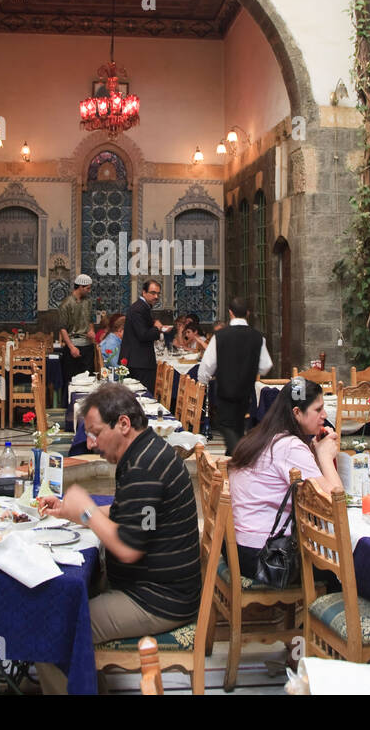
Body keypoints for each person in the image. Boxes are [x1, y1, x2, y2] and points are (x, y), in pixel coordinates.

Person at [34, 383, 201, 694]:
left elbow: (127, 548)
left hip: (157, 600)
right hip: (153, 587)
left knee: (52, 626)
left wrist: (87, 512)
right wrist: (71, 512)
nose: (92, 442)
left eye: (96, 432)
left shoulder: (145, 468)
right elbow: (132, 513)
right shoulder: (146, 453)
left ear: (123, 424)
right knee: (63, 592)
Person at [227, 378, 341, 577]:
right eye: (318, 409)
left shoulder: (261, 436)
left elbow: (309, 486)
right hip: (267, 557)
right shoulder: (290, 446)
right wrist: (324, 456)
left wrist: (314, 450)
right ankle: (322, 607)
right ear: (297, 412)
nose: (325, 416)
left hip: (237, 547)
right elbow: (335, 503)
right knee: (337, 566)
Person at [197, 297, 274, 454]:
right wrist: (250, 369)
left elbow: (207, 365)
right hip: (246, 391)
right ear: (248, 313)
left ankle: (239, 454)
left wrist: (202, 380)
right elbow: (266, 366)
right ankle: (233, 461)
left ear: (230, 312)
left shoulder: (220, 336)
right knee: (238, 426)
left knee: (224, 423)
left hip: (225, 389)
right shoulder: (257, 337)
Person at [119, 279, 172, 387]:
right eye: (153, 293)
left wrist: (154, 325)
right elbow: (143, 335)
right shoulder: (139, 308)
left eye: (158, 293)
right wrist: (158, 329)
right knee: (142, 395)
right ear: (144, 292)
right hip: (139, 362)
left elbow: (141, 326)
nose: (156, 297)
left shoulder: (143, 307)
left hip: (138, 360)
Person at [56, 274, 98, 391]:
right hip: (73, 347)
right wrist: (71, 347)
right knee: (71, 381)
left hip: (87, 347)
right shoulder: (66, 304)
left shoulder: (88, 302)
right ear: (80, 286)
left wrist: (92, 331)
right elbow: (63, 328)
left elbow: (90, 320)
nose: (89, 291)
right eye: (88, 288)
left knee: (89, 380)